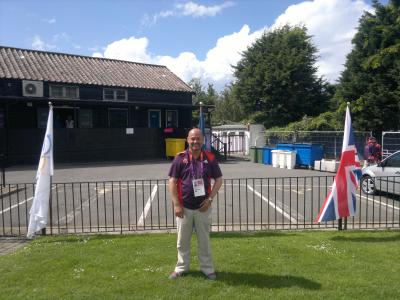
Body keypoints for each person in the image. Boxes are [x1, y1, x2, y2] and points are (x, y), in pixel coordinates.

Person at [168, 128, 223, 280]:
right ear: (187, 140)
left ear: (202, 140)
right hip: (184, 208)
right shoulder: (180, 158)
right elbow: (172, 181)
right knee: (182, 241)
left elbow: (218, 180)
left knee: (204, 241)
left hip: (203, 207)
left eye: (198, 138)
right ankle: (181, 268)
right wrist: (177, 204)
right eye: (193, 138)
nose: (195, 141)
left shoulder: (210, 158)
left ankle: (207, 269)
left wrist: (210, 199)